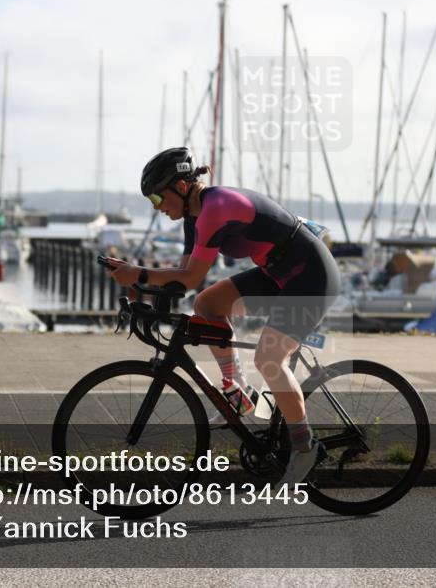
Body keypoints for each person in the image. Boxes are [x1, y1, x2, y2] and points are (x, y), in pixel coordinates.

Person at [105, 147, 340, 487]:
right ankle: (239, 391)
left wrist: (138, 273)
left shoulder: (216, 208)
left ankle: (305, 447)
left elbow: (189, 277)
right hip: (277, 271)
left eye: (157, 196)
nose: (155, 206)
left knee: (269, 358)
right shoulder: (193, 215)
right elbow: (182, 278)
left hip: (310, 274)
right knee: (208, 304)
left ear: (181, 187)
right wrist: (143, 289)